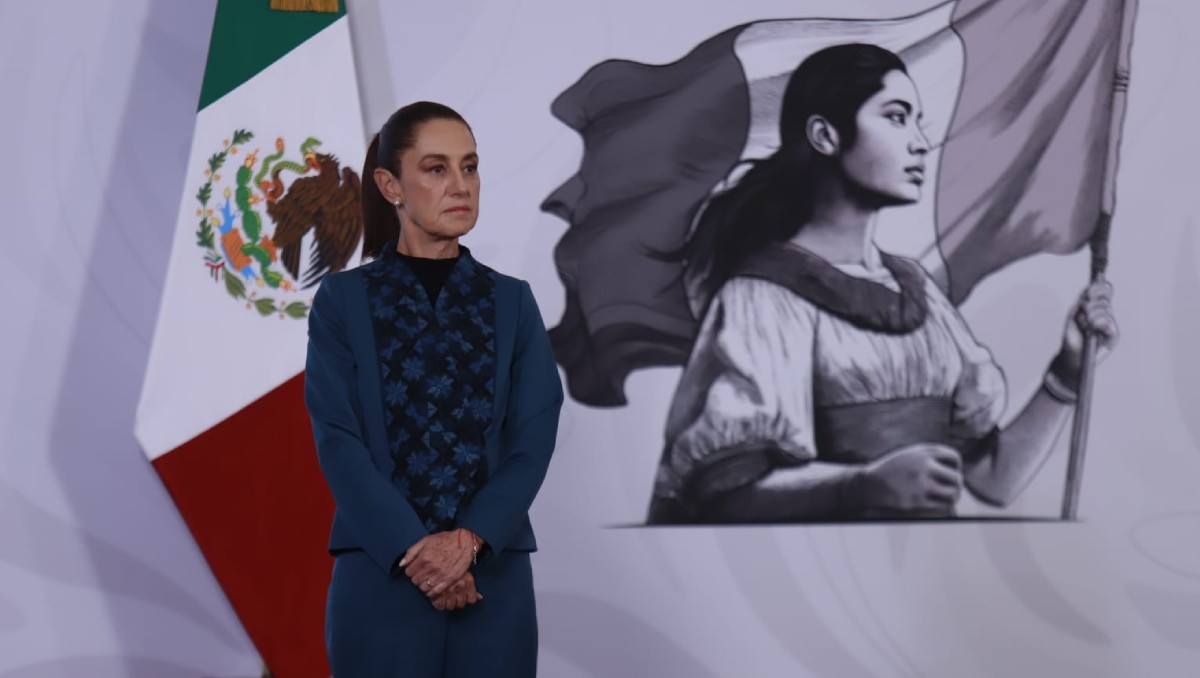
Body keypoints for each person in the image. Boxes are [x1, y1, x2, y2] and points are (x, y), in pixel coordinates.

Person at [646, 44, 1118, 524]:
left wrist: (1068, 372)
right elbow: (724, 497)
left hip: (916, 586)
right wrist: (861, 485)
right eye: (896, 117)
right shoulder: (762, 298)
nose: (918, 142)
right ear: (824, 136)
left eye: (918, 122)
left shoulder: (920, 294)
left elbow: (993, 480)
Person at [305, 100, 563, 675]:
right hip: (380, 573)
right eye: (437, 168)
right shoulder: (342, 302)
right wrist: (415, 552)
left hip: (492, 579)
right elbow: (338, 438)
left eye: (469, 168)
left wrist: (467, 543)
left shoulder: (511, 301)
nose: (460, 185)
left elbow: (534, 433)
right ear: (390, 184)